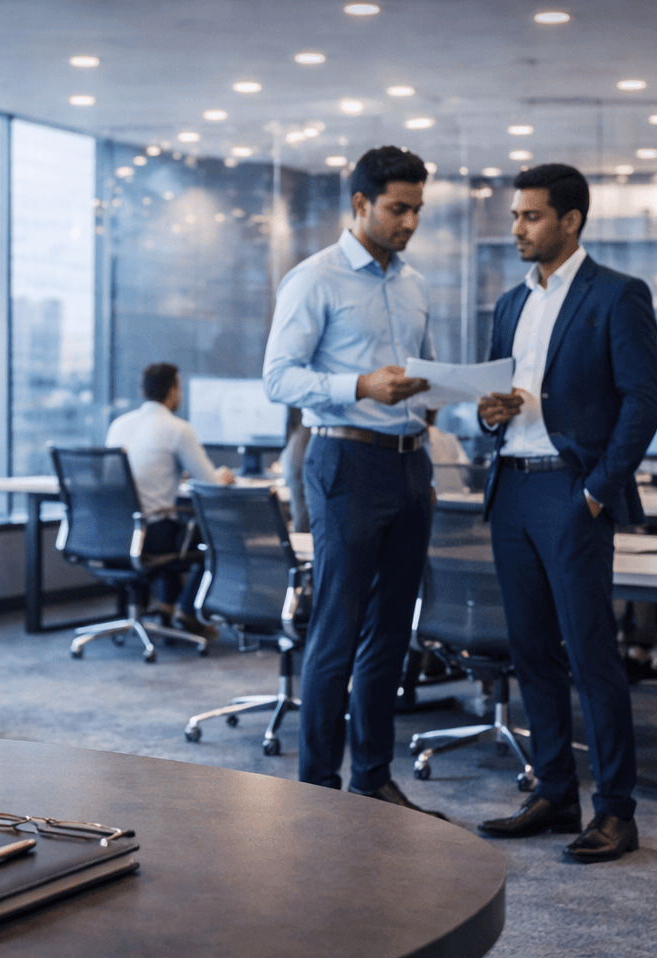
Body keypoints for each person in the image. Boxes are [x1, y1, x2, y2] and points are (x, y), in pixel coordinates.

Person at [476, 163, 657, 863]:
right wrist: (490, 416)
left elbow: (644, 402)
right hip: (513, 488)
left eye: (530, 216)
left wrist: (598, 489)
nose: (517, 228)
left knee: (590, 652)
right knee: (531, 650)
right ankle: (556, 791)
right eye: (516, 217)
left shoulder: (617, 296)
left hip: (571, 489)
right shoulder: (507, 304)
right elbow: (497, 397)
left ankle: (617, 809)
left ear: (570, 220)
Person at [262, 145, 443, 817]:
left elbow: (420, 377)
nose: (410, 222)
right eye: (398, 209)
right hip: (343, 459)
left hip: (409, 462)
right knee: (338, 626)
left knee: (392, 629)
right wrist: (358, 384)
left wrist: (456, 393)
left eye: (418, 210)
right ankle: (318, 793)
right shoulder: (315, 279)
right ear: (361, 204)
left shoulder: (415, 285)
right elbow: (278, 378)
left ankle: (371, 779)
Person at [104, 363, 234, 636]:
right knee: (213, 533)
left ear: (143, 391)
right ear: (174, 392)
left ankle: (166, 604)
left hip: (113, 531)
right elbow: (208, 481)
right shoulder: (178, 429)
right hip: (149, 534)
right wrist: (223, 476)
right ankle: (187, 609)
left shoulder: (119, 425)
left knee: (177, 524)